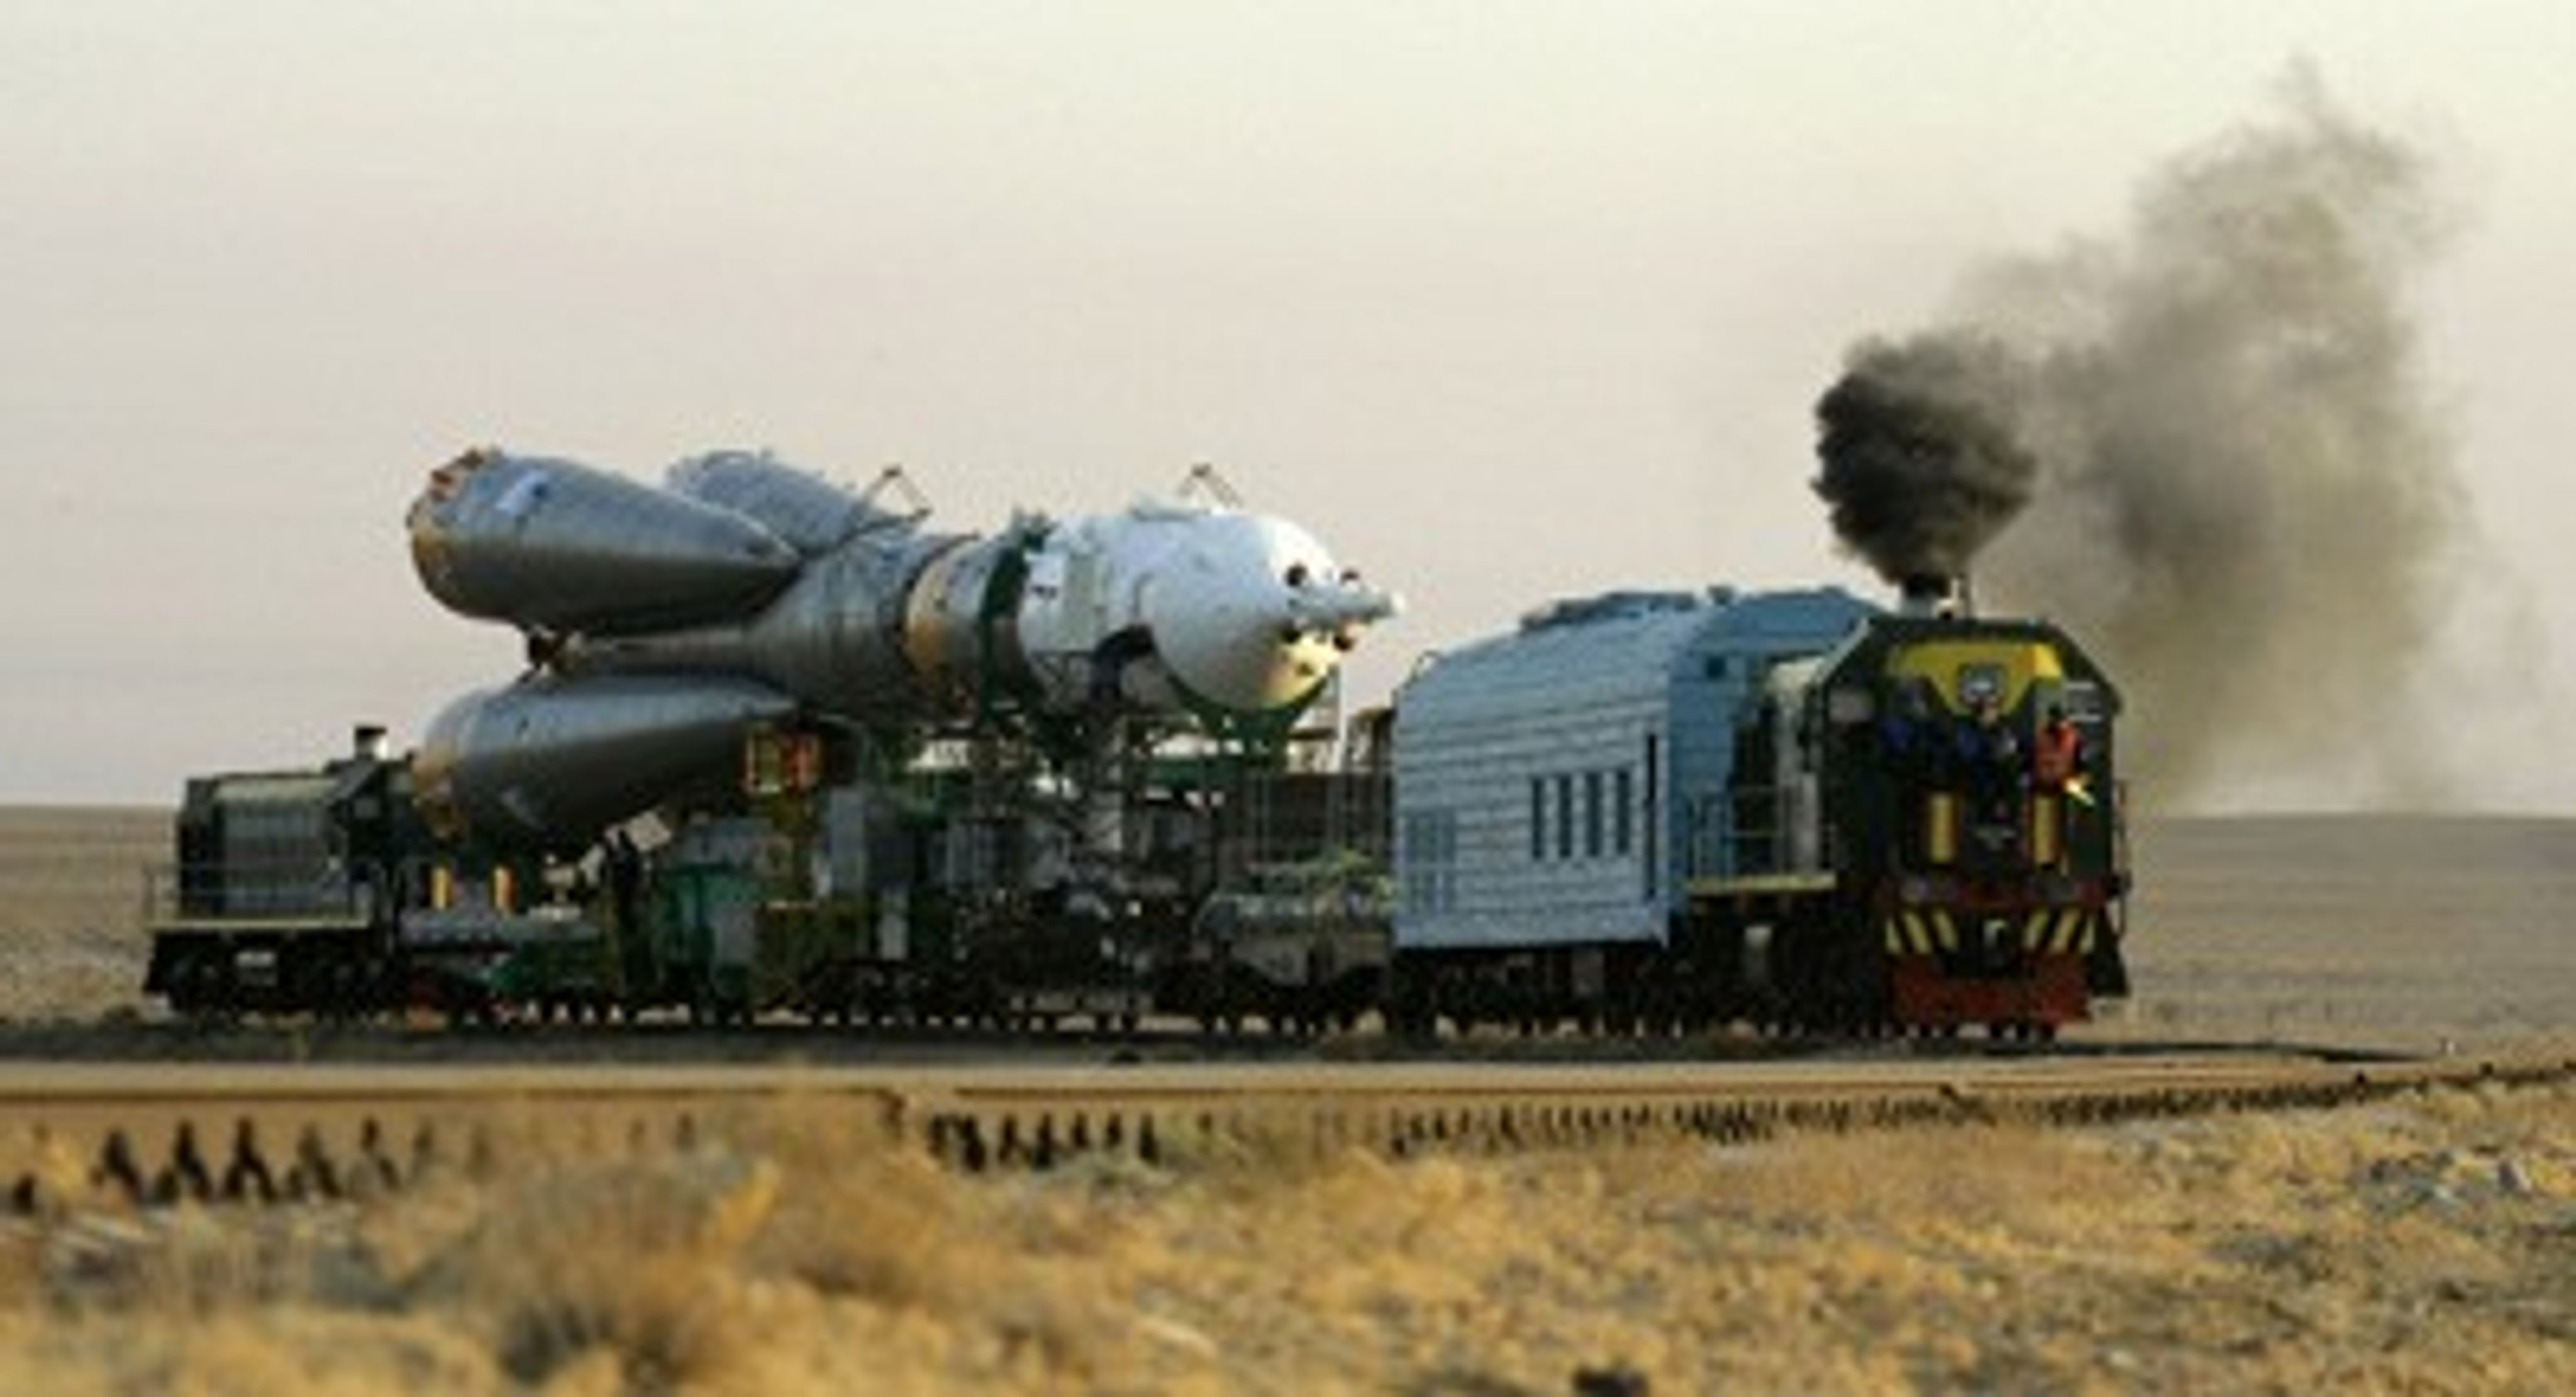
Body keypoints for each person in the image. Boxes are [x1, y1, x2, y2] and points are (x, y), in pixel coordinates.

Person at [2032, 704, 2085, 800]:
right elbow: (2034, 758)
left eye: (2061, 719)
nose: (2059, 723)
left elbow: (2081, 761)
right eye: (2056, 719)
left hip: (2066, 785)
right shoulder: (2042, 736)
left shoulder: (2074, 737)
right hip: (2044, 786)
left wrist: (2078, 780)